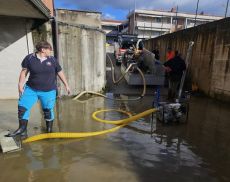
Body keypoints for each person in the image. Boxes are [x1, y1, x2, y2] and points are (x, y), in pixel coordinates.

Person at [7, 41, 70, 137]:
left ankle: (49, 130)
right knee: (22, 107)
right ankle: (22, 130)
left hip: (48, 91)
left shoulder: (52, 60)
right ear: (43, 49)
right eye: (49, 49)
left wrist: (66, 85)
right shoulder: (29, 58)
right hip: (31, 89)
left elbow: (60, 72)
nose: (51, 51)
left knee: (47, 110)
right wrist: (20, 85)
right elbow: (24, 72)